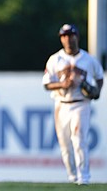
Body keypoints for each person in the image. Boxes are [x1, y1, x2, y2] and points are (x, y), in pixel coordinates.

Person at [42, 24, 104, 185]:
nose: (68, 39)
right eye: (64, 36)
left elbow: (99, 76)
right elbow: (47, 84)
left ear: (77, 37)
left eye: (71, 35)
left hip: (81, 103)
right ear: (61, 38)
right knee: (65, 145)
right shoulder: (55, 59)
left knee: (79, 139)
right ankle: (72, 176)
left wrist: (95, 89)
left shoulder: (88, 59)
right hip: (61, 104)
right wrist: (62, 85)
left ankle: (84, 178)